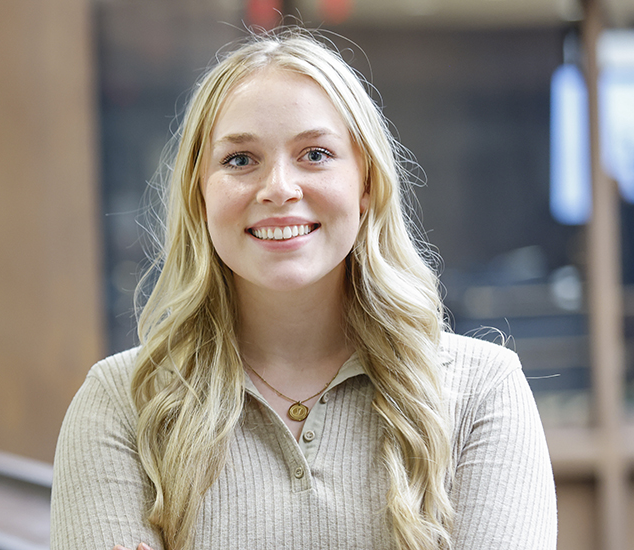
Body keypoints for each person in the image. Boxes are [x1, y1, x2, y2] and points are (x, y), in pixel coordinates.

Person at [49, 28, 556, 550]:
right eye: (240, 160)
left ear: (366, 183)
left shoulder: (482, 391)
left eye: (314, 154)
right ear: (199, 194)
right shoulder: (120, 404)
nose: (279, 189)